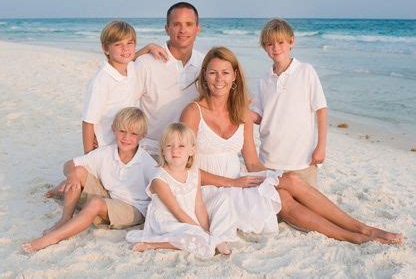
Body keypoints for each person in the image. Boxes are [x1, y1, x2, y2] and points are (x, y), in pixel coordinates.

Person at [180, 46, 403, 244]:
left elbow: (251, 162)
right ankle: (353, 236)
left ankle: (363, 228)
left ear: (235, 76)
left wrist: (277, 176)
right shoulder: (193, 112)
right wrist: (232, 182)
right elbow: (182, 168)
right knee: (283, 199)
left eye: (225, 72)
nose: (219, 79)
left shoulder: (241, 114)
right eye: (213, 72)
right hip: (206, 191)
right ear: (205, 76)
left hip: (237, 182)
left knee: (290, 182)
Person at [23, 107, 158, 252]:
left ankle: (54, 237)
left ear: (142, 136)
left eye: (133, 134)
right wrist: (72, 176)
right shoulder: (107, 152)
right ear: (114, 129)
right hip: (110, 196)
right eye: (122, 131)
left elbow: (160, 192)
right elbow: (68, 165)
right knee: (78, 171)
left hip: (133, 209)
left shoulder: (146, 162)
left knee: (95, 203)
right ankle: (65, 219)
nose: (126, 138)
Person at [126, 123, 237, 258]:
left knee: (223, 199)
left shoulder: (194, 172)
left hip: (190, 215)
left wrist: (206, 231)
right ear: (162, 151)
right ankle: (153, 244)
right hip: (169, 221)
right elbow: (177, 211)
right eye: (169, 146)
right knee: (190, 236)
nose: (175, 150)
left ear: (192, 150)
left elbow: (199, 205)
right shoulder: (159, 179)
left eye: (181, 146)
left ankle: (217, 237)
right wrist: (200, 232)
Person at [251, 19, 327, 188]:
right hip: (269, 160)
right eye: (269, 44)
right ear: (264, 47)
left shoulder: (306, 71)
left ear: (291, 41)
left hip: (302, 161)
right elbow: (259, 116)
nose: (276, 48)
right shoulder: (264, 79)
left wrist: (321, 146)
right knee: (276, 211)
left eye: (281, 42)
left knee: (307, 207)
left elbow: (321, 109)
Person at [82, 20, 168, 154]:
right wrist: (88, 155)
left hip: (125, 144)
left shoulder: (130, 67)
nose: (126, 49)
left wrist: (149, 47)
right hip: (104, 146)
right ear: (105, 48)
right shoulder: (102, 80)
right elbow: (88, 121)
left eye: (130, 43)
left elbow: (131, 57)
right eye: (118, 44)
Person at [134, 2, 204, 159]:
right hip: (151, 151)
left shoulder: (205, 64)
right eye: (176, 24)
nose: (183, 30)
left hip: (189, 152)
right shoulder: (146, 62)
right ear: (167, 28)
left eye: (189, 24)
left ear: (197, 29)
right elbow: (122, 94)